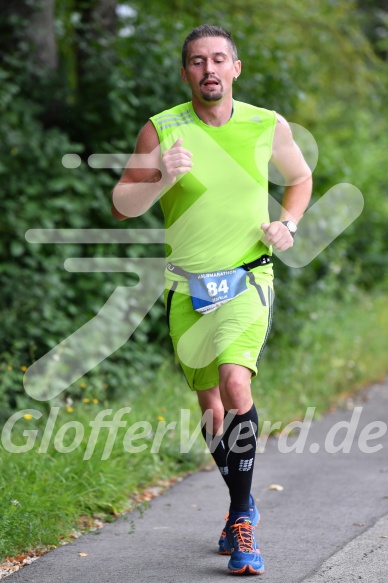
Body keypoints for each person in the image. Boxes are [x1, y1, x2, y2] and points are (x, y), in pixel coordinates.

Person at [112, 24, 312, 576]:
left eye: (219, 59)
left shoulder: (265, 124)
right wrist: (160, 179)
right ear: (186, 73)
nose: (209, 70)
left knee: (235, 382)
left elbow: (300, 177)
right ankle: (238, 504)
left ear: (236, 68)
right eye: (198, 61)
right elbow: (122, 205)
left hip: (249, 279)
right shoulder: (162, 130)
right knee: (211, 412)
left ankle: (244, 517)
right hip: (187, 288)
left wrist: (288, 223)